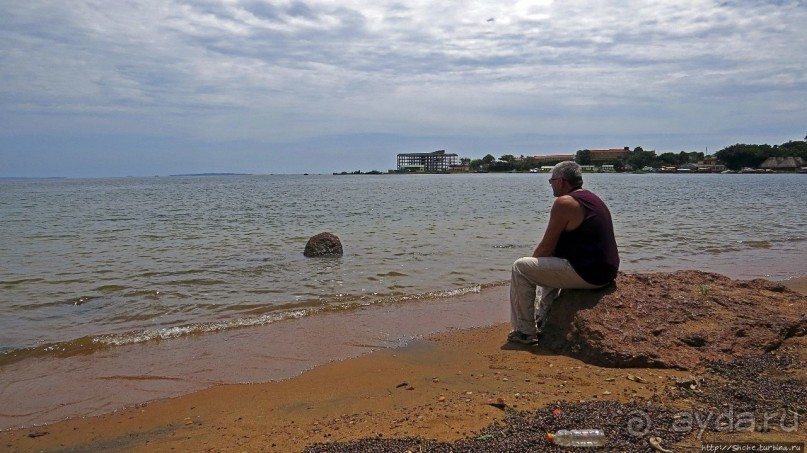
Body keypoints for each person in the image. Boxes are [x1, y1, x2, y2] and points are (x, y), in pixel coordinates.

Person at [508, 161, 619, 345]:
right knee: (549, 261)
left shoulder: (564, 202)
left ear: (561, 181)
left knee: (521, 268)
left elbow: (546, 247)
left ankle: (524, 332)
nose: (550, 184)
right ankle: (544, 316)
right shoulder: (591, 198)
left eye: (551, 180)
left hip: (590, 275)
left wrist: (532, 267)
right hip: (605, 272)